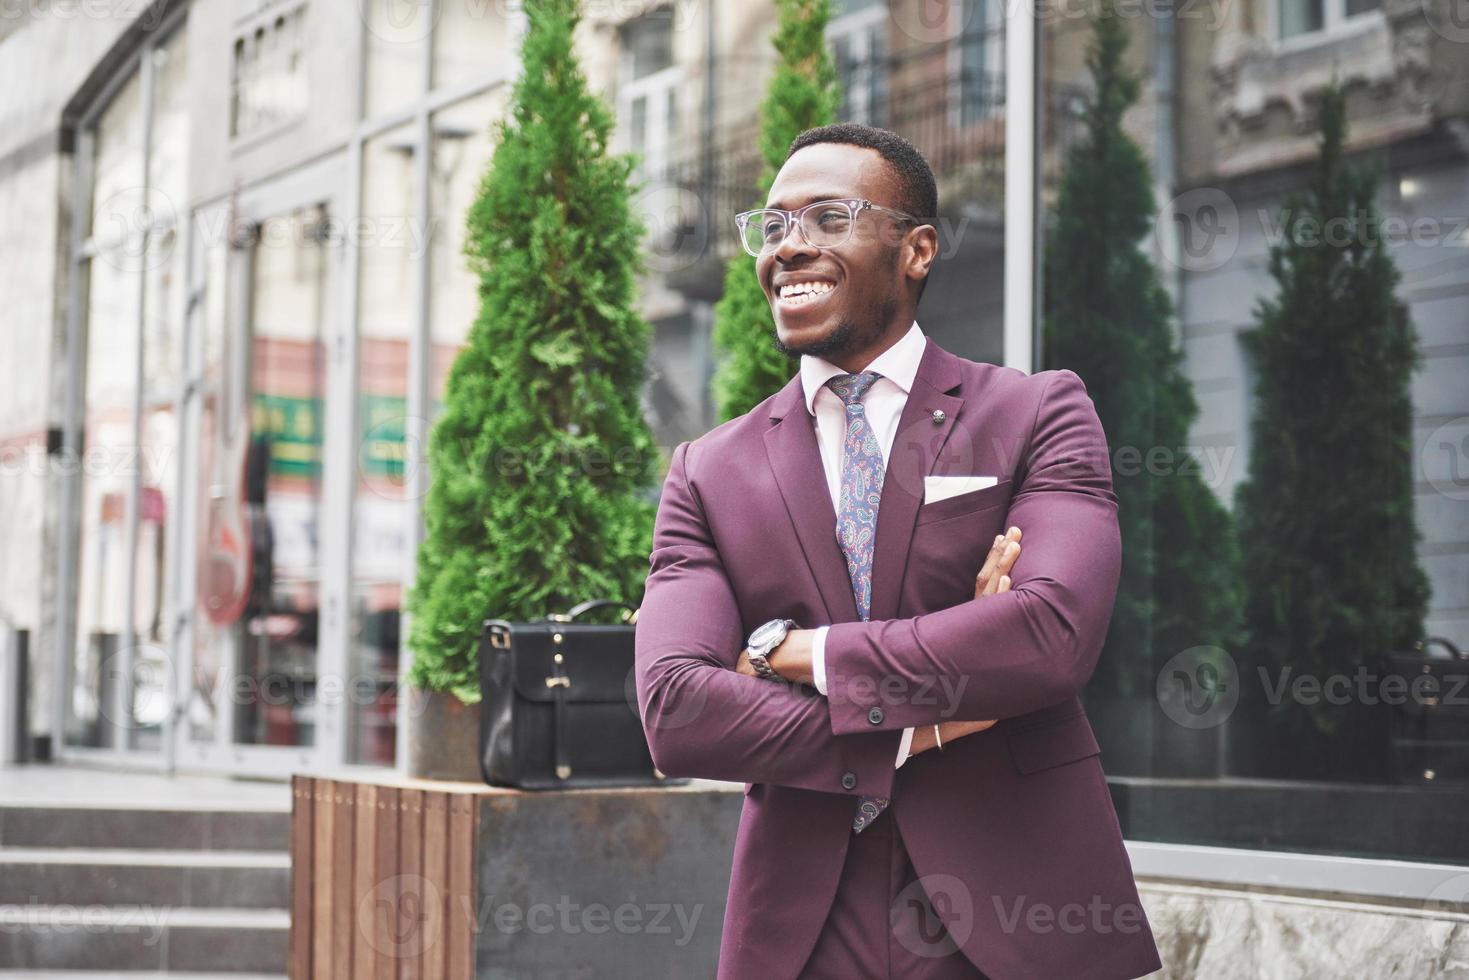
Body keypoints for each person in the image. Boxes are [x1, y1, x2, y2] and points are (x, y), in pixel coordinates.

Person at [634, 123, 1162, 980]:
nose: (788, 248)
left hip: (1018, 906)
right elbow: (675, 708)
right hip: (802, 926)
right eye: (771, 228)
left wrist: (796, 654)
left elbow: (1049, 635)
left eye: (827, 218)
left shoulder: (1034, 414)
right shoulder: (707, 471)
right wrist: (919, 725)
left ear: (914, 249)